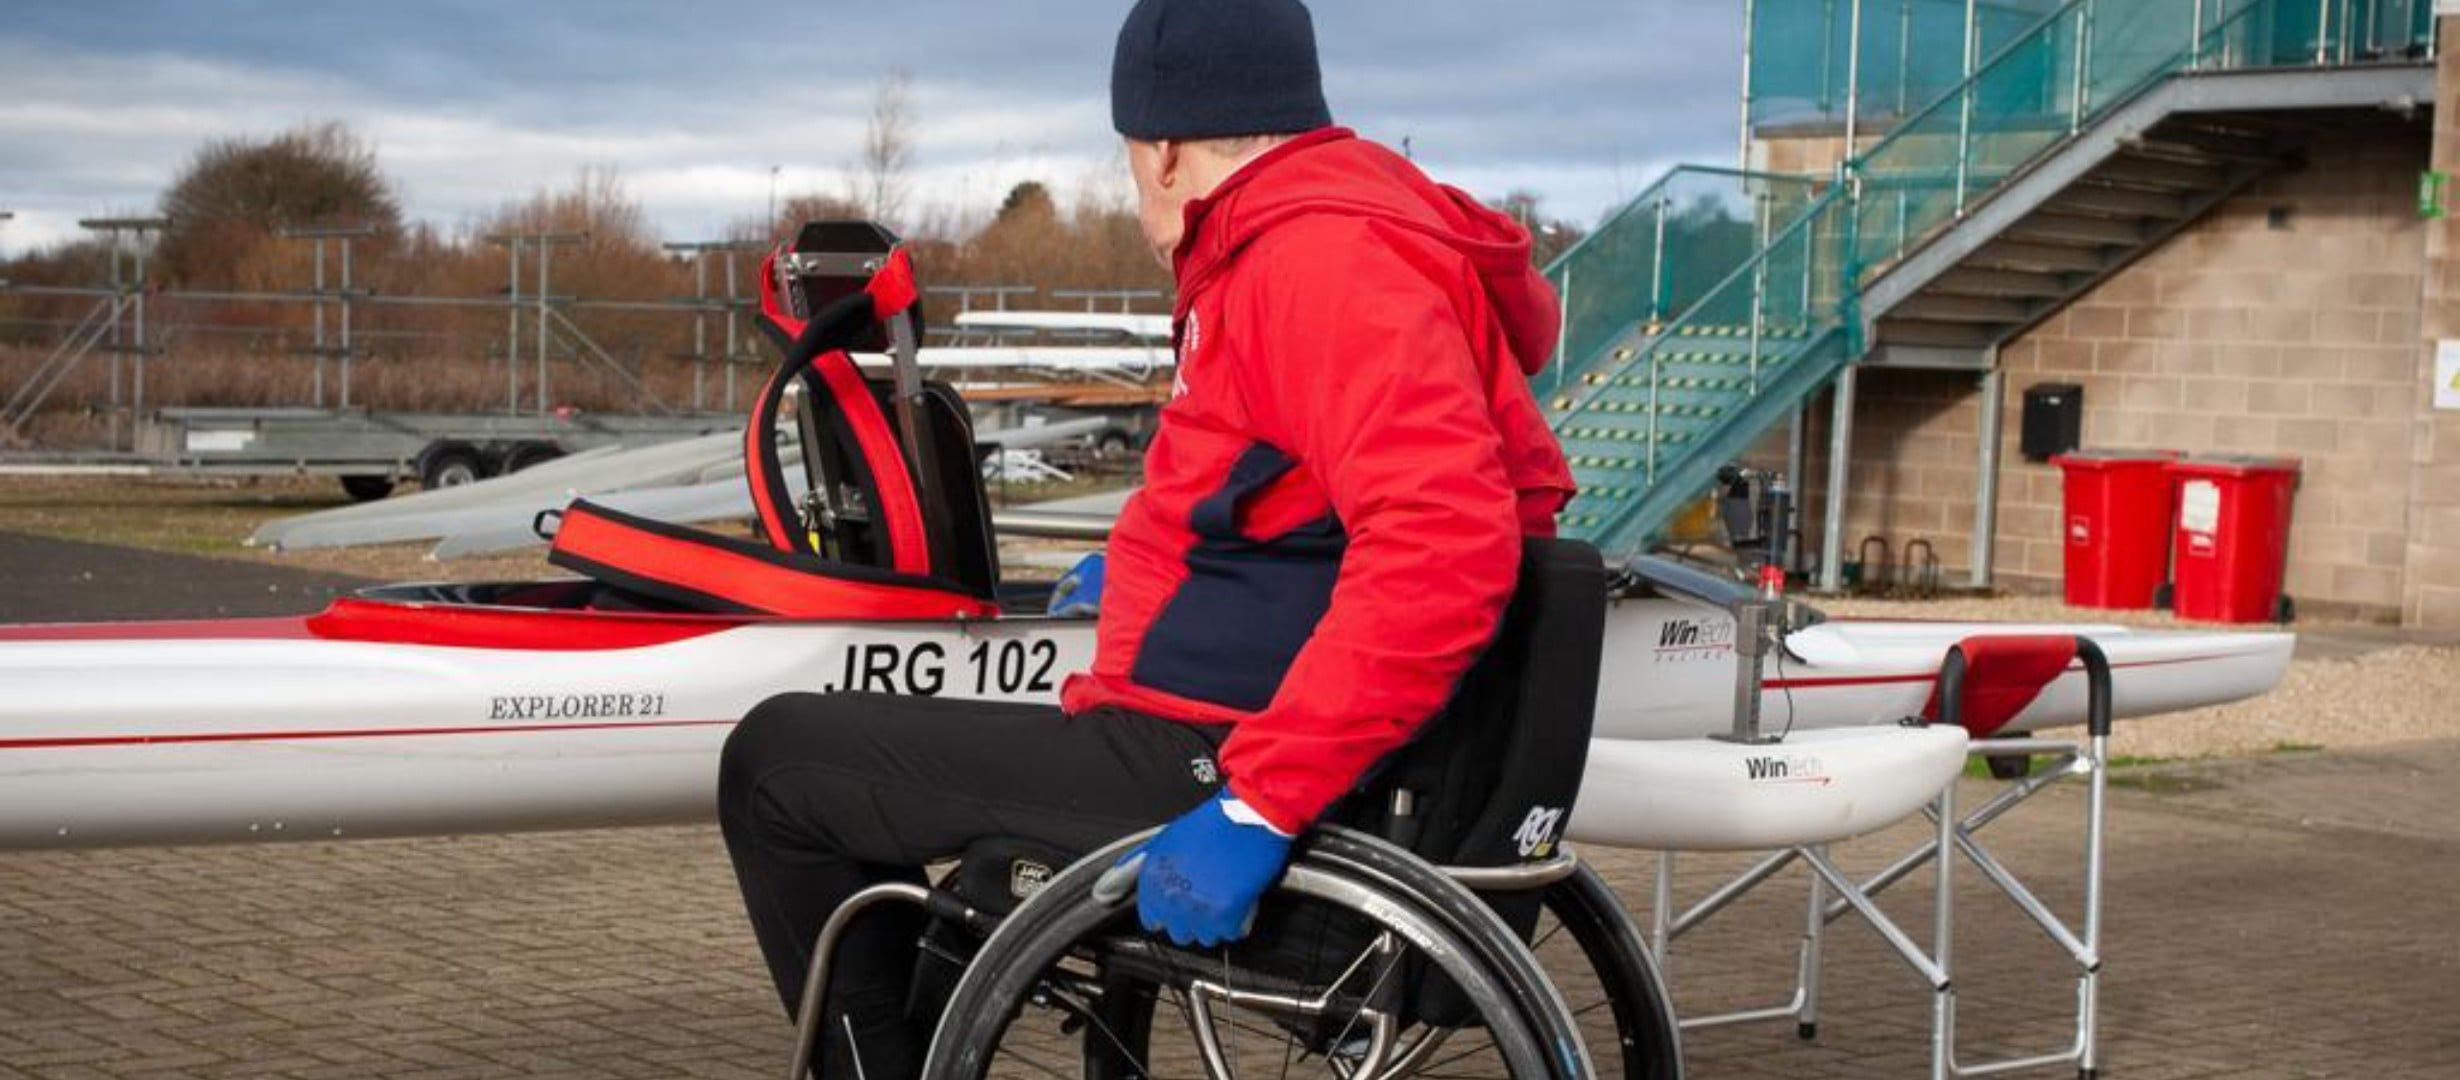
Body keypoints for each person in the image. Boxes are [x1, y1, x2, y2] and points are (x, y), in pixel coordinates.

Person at [715, 1, 1575, 1076]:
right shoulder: (1339, 238)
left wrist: (1261, 801)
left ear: (1163, 149)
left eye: (1128, 161)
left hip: (1224, 755)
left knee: (777, 761)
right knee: (942, 889)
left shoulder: (1313, 262)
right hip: (1240, 729)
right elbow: (1297, 504)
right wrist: (1141, 577)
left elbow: (1444, 542)